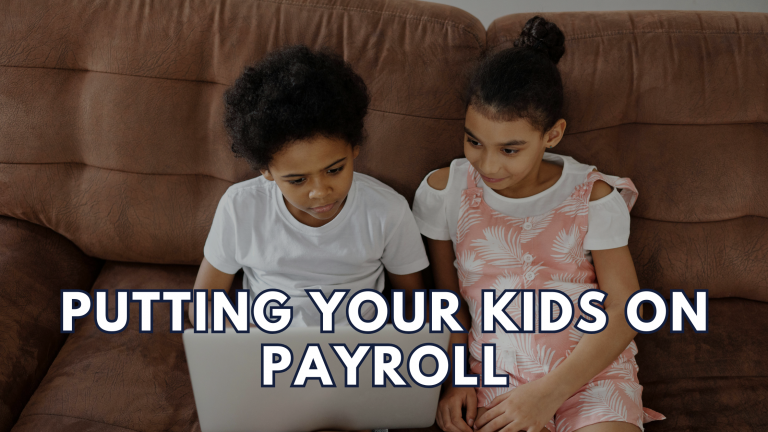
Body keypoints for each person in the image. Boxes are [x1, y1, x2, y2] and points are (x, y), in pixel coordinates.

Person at [412, 16, 666, 432]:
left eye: (510, 149)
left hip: (589, 374)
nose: (488, 165)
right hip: (497, 376)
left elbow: (626, 308)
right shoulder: (443, 192)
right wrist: (455, 381)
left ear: (553, 134)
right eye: (474, 141)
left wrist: (549, 392)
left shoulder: (594, 196)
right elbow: (448, 305)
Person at [189, 44, 428, 342]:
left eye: (334, 170)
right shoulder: (240, 208)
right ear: (266, 171)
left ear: (354, 149)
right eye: (298, 180)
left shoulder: (387, 210)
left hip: (356, 348)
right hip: (265, 345)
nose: (320, 192)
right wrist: (236, 342)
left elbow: (412, 302)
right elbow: (205, 303)